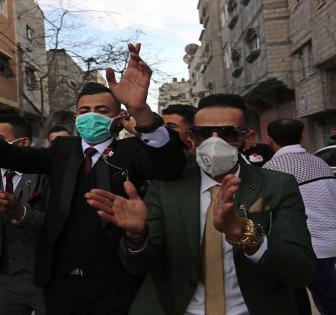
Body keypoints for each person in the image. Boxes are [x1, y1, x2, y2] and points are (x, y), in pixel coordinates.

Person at [0, 42, 186, 314]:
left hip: (117, 281)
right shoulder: (63, 150)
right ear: (75, 117)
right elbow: (7, 155)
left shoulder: (132, 150)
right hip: (60, 282)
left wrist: (142, 112)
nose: (91, 116)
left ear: (119, 116)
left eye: (102, 111)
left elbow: (170, 165)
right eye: (84, 111)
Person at [86, 94, 316, 315]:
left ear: (248, 138)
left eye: (228, 133)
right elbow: (136, 265)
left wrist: (247, 235)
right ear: (191, 139)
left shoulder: (278, 185)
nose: (214, 142)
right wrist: (137, 236)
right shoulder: (165, 186)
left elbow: (301, 270)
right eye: (203, 133)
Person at [0, 115, 49, 315]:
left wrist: (21, 213)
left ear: (23, 143)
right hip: (6, 278)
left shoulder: (46, 173)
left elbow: (56, 223)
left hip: (45, 277)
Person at [263, 118, 336, 315]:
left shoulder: (270, 171)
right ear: (302, 137)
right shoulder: (320, 162)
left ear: (269, 140)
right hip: (330, 247)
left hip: (307, 250)